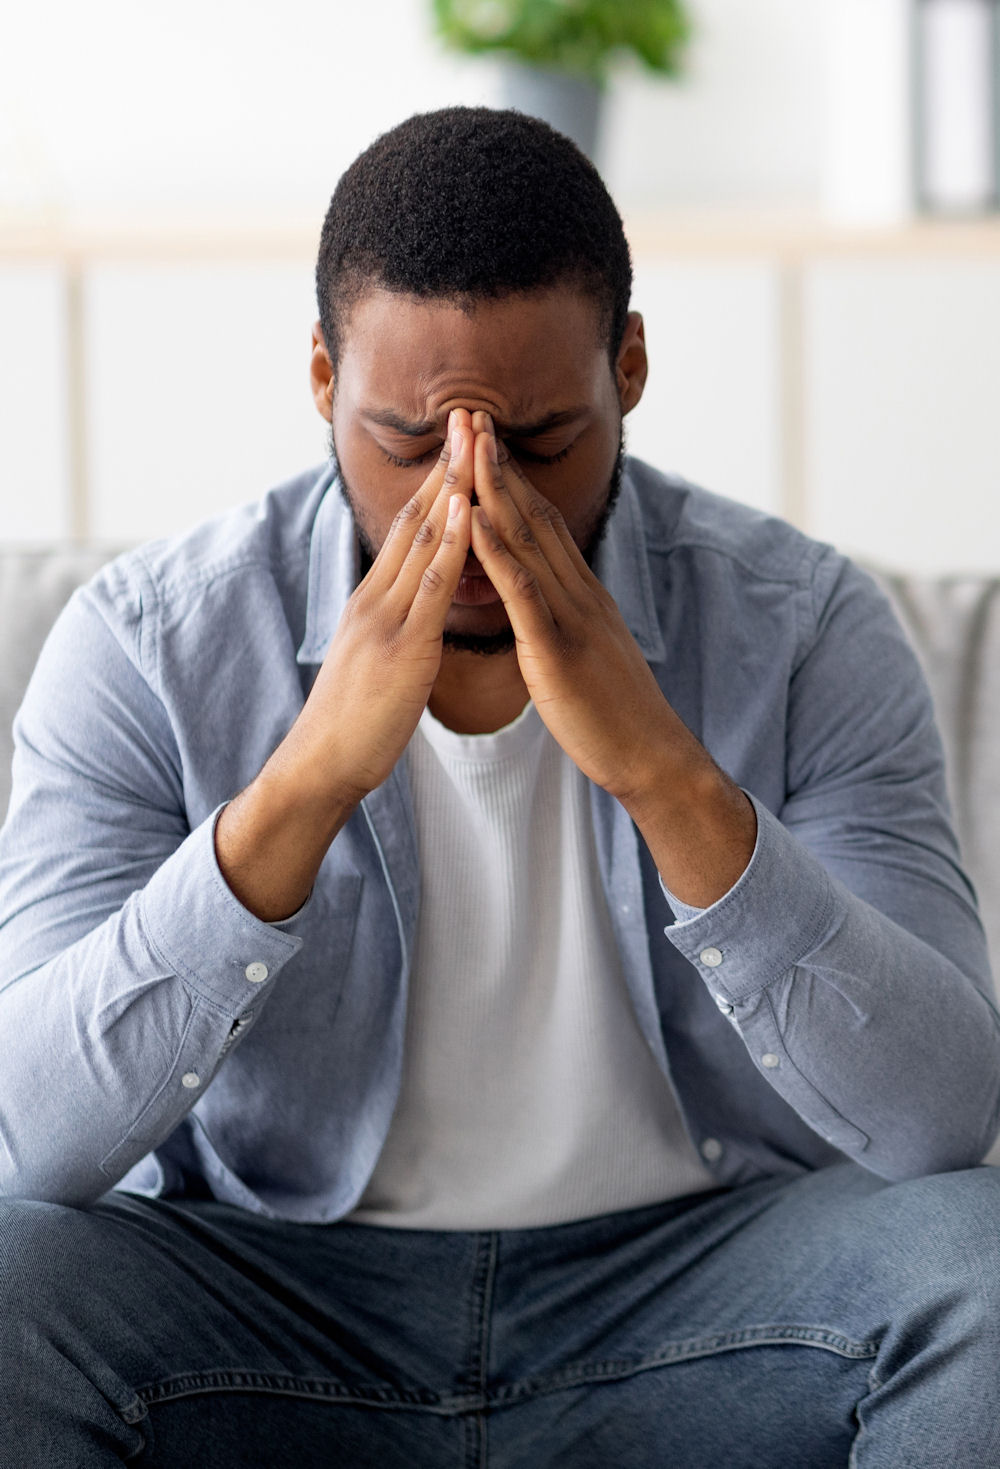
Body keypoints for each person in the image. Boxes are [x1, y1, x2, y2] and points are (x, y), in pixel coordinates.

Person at [2, 106, 1000, 1469]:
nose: (471, 504)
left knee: (983, 1272)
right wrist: (302, 786)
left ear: (630, 369)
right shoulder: (146, 644)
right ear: (318, 377)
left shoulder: (811, 627)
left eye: (541, 440)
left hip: (706, 1292)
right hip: (276, 1294)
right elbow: (27, 1141)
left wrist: (662, 770)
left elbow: (944, 1114)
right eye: (408, 440)